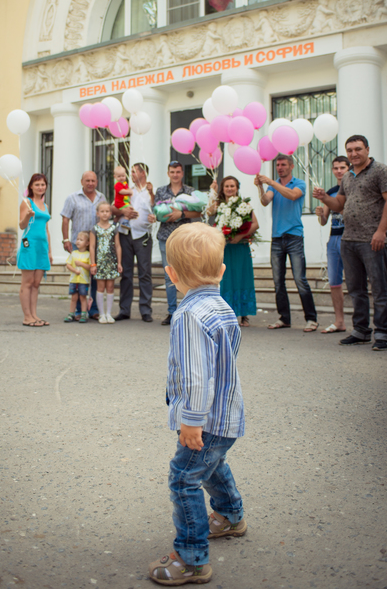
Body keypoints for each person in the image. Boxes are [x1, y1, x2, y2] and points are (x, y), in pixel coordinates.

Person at [148, 223, 246, 586]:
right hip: (225, 415)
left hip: (203, 418)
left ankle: (192, 558)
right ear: (221, 271)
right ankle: (231, 515)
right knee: (212, 463)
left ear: (171, 274)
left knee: (183, 478)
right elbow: (228, 357)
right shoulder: (223, 307)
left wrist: (190, 420)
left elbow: (195, 375)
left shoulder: (187, 315)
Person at [314, 135, 387, 350]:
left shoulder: (381, 170)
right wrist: (324, 198)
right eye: (349, 150)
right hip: (348, 240)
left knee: (379, 288)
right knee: (355, 289)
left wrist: (381, 231)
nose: (353, 154)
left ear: (367, 149)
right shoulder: (348, 176)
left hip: (372, 240)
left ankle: (383, 332)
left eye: (358, 149)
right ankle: (361, 331)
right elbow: (338, 203)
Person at [255, 154, 318, 332]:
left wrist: (271, 183)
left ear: (291, 166)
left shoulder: (299, 184)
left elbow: (292, 196)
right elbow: (265, 201)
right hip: (277, 238)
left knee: (300, 279)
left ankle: (311, 319)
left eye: (283, 165)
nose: (280, 168)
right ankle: (284, 318)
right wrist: (261, 187)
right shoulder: (273, 186)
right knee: (278, 281)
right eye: (277, 165)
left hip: (294, 237)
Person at [155, 161, 202, 326]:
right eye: (172, 171)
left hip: (185, 238)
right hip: (165, 237)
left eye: (178, 172)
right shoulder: (161, 191)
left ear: (182, 173)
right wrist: (160, 214)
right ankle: (172, 312)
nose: (175, 174)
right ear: (168, 173)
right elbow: (156, 210)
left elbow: (199, 211)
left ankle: (189, 311)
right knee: (169, 277)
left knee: (187, 275)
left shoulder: (189, 191)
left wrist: (180, 214)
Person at [208, 176, 258, 327]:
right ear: (222, 189)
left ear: (237, 188)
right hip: (224, 248)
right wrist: (212, 192)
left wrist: (240, 235)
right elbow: (209, 212)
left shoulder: (244, 204)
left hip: (240, 246)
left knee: (242, 277)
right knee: (226, 279)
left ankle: (244, 315)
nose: (230, 189)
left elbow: (255, 224)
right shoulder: (218, 204)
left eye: (233, 186)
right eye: (227, 186)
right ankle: (226, 313)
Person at [113, 162, 156, 323]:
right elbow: (113, 208)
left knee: (145, 273)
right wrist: (123, 211)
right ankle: (124, 310)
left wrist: (154, 217)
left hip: (143, 235)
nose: (130, 174)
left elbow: (156, 210)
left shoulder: (151, 191)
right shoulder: (126, 190)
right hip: (125, 234)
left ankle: (146, 310)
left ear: (142, 173)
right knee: (126, 273)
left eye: (133, 171)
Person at [61, 171, 106, 320]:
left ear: (96, 182)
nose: (90, 183)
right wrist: (66, 239)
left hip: (97, 245)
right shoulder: (72, 198)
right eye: (87, 180)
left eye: (93, 180)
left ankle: (92, 310)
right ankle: (79, 311)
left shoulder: (101, 197)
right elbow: (65, 219)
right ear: (82, 182)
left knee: (94, 277)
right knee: (80, 277)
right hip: (78, 243)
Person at [314, 156, 350, 333]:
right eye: (335, 168)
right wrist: (320, 213)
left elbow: (350, 213)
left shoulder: (353, 189)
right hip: (333, 239)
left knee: (354, 281)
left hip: (350, 237)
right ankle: (339, 321)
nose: (339, 171)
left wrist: (334, 205)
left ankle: (361, 324)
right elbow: (323, 221)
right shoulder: (332, 191)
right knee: (334, 282)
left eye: (342, 167)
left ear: (349, 168)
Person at [17, 173, 52, 327]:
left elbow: (47, 229)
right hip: (28, 244)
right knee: (28, 281)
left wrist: (50, 251)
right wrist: (28, 216)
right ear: (31, 186)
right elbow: (22, 225)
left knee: (36, 283)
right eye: (37, 184)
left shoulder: (46, 206)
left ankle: (34, 315)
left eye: (43, 184)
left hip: (42, 247)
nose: (40, 187)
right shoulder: (27, 202)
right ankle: (27, 317)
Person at [89, 201, 122, 324]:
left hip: (111, 262)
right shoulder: (94, 229)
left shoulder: (114, 228)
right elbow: (92, 247)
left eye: (107, 211)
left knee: (110, 287)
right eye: (102, 211)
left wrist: (119, 263)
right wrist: (93, 263)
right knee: (100, 287)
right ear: (98, 213)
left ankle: (109, 313)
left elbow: (118, 246)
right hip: (100, 263)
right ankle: (101, 314)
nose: (104, 213)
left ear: (111, 213)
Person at [64, 231, 91, 324]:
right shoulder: (73, 253)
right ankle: (71, 314)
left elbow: (90, 267)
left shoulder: (88, 254)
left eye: (81, 240)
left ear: (87, 243)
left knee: (83, 297)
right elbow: (68, 265)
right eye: (77, 239)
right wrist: (74, 270)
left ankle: (84, 314)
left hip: (83, 281)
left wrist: (81, 264)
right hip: (74, 280)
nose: (78, 241)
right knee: (74, 297)